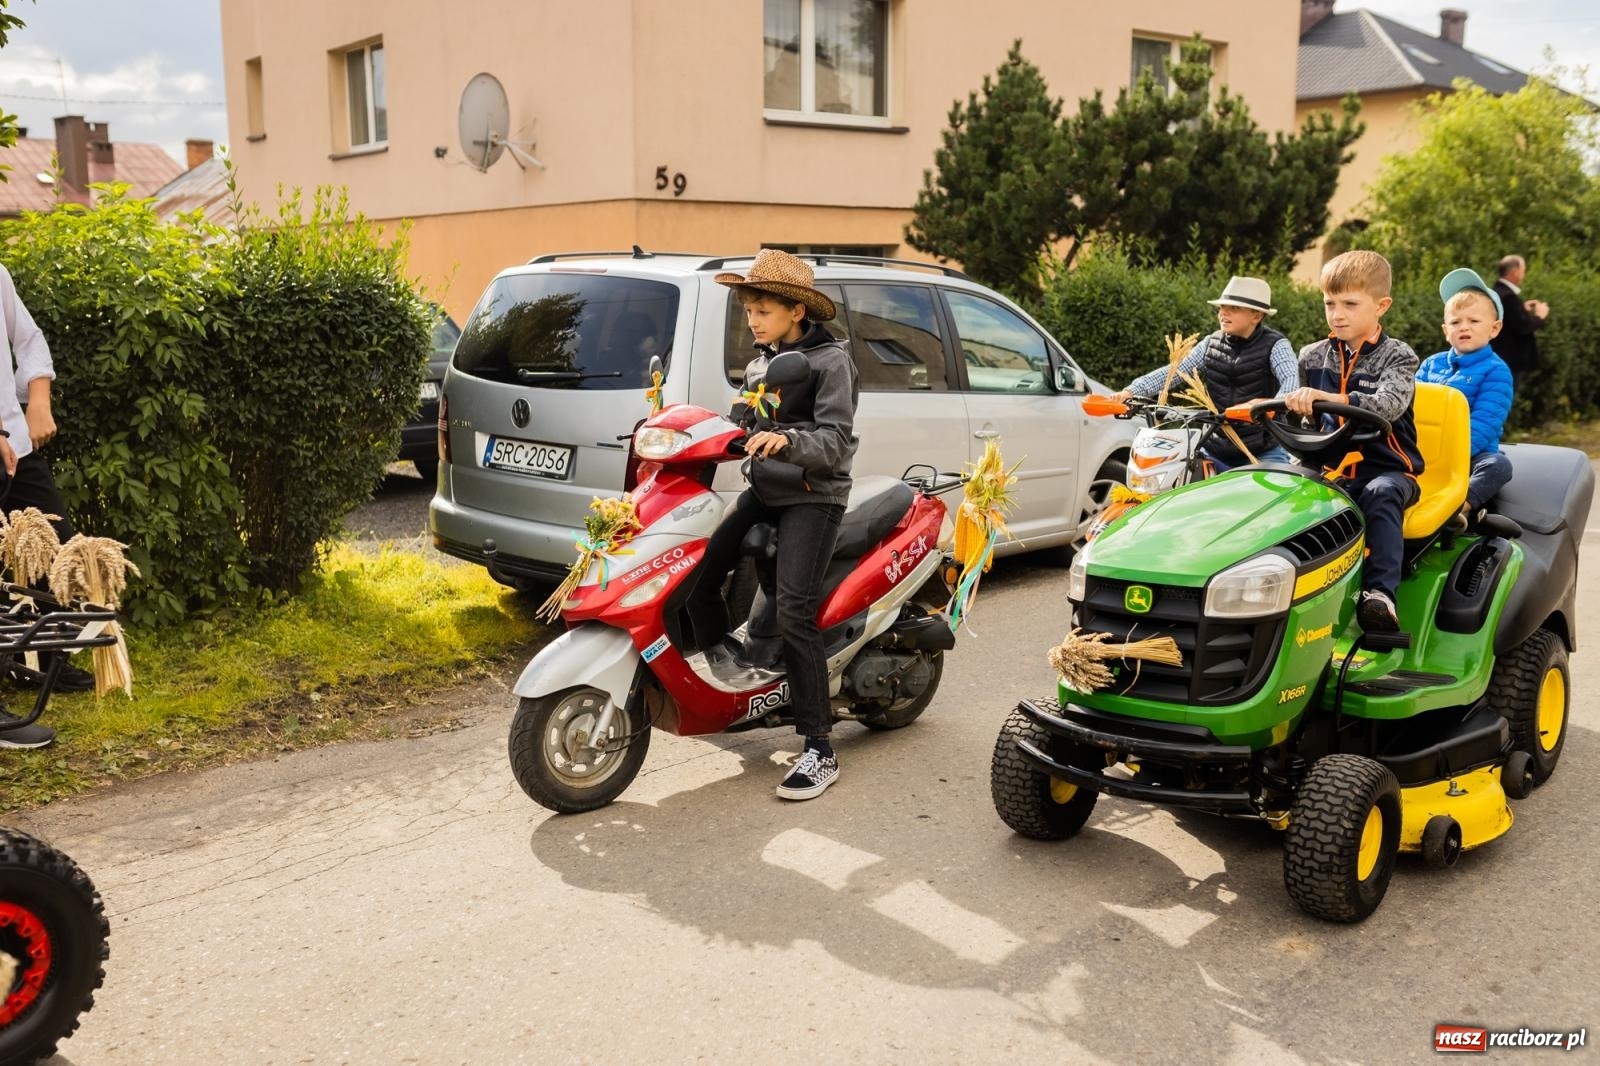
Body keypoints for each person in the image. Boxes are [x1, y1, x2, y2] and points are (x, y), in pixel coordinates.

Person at [686, 249, 859, 801]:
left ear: (796, 311)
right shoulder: (765, 361)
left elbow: (835, 441)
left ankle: (818, 747)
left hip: (814, 495)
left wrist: (789, 439)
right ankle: (734, 673)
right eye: (749, 311)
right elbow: (744, 420)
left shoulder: (832, 363)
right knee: (701, 571)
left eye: (762, 310)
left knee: (794, 611)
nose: (753, 320)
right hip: (766, 491)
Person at [1287, 250, 1424, 634]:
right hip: (1329, 465)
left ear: (1381, 306)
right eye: (1330, 303)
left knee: (1381, 494)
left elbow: (1388, 406)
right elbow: (1303, 420)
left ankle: (1380, 596)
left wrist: (1332, 400)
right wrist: (1302, 410)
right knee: (1286, 490)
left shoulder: (1397, 356)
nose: (1337, 314)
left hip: (1388, 469)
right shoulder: (1313, 355)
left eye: (1350, 303)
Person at [0, 263, 94, 751]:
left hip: (16, 445)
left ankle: (38, 662)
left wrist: (38, 397)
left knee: (54, 552)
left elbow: (30, 341)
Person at [1113, 276, 1298, 469]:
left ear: (1257, 316)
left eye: (1233, 308)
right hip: (1214, 448)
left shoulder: (1276, 345)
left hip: (1262, 451)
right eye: (1221, 307)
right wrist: (1131, 391)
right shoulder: (1211, 344)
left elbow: (1291, 382)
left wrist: (1267, 406)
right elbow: (1175, 372)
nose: (1223, 313)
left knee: (1273, 496)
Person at [1417, 268, 1515, 529]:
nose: (1464, 327)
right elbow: (1411, 408)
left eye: (1474, 321)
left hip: (1470, 455)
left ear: (1494, 329)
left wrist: (1449, 456)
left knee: (1499, 465)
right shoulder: (1430, 365)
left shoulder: (1496, 371)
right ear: (1445, 330)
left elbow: (1485, 423)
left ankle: (1460, 507)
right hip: (1423, 450)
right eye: (1456, 322)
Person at [1492, 255, 1550, 387]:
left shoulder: (1497, 292)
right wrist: (1540, 316)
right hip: (1509, 360)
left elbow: (1508, 318)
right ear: (1516, 271)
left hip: (1499, 357)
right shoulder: (1508, 297)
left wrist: (1522, 309)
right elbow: (1522, 326)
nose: (1524, 274)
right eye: (1523, 270)